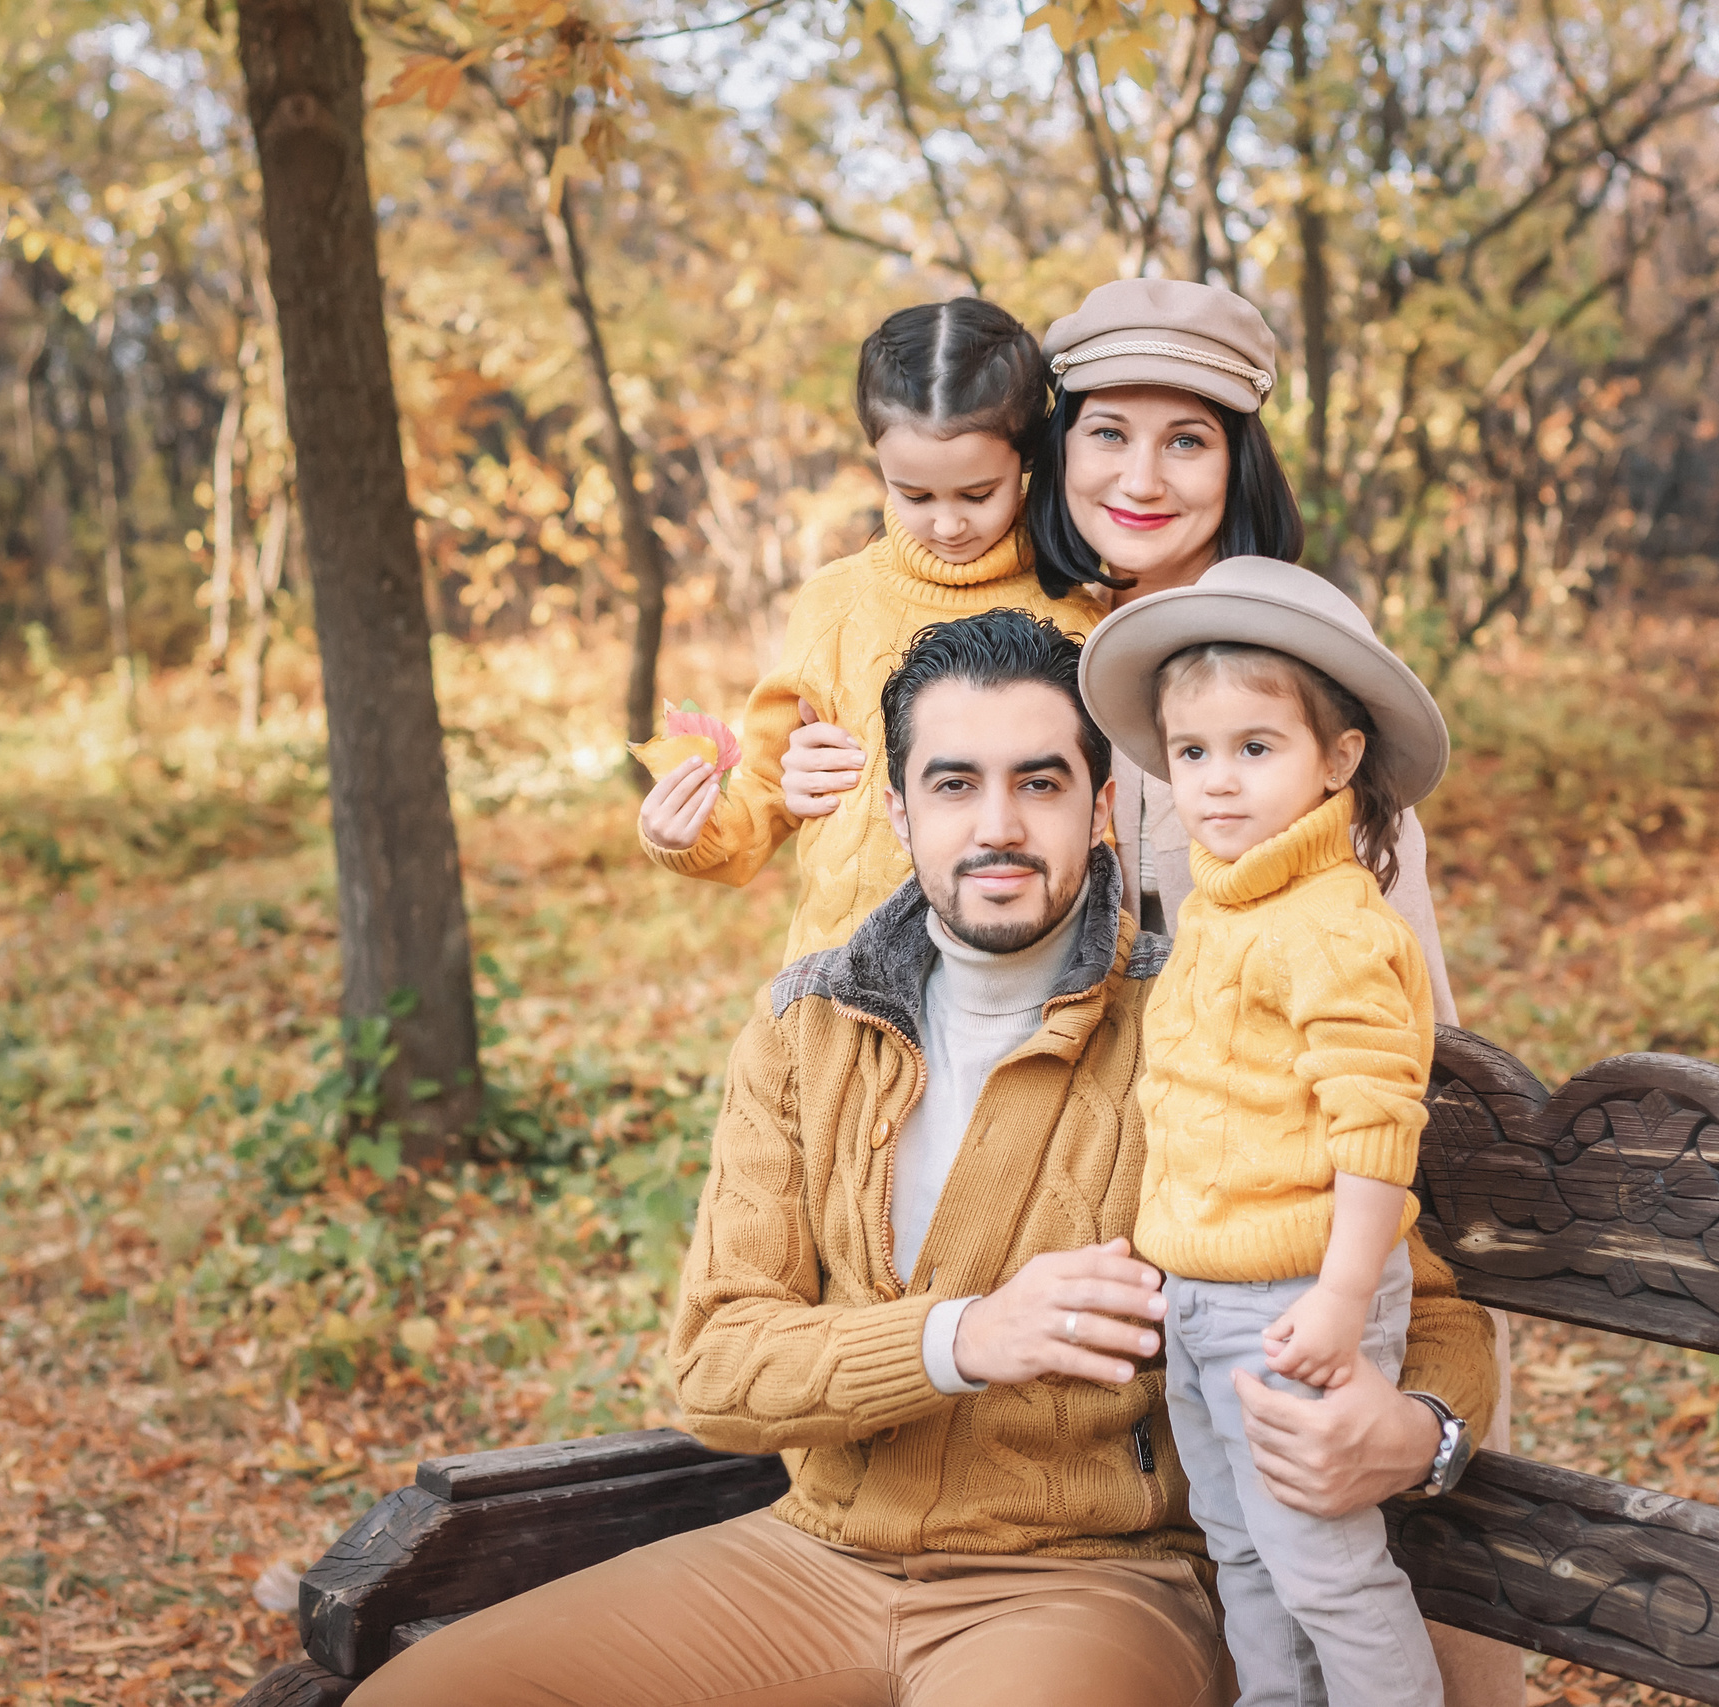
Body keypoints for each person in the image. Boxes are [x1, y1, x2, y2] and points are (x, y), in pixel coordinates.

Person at [356, 610, 1494, 1707]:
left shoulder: (1194, 1013)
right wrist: (965, 1336)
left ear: (1102, 803)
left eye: (1039, 781)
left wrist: (1419, 1431)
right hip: (809, 1558)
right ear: (897, 809)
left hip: (1086, 1581)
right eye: (953, 783)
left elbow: (1426, 1308)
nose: (996, 825)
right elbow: (714, 1364)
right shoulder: (809, 1028)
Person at [781, 277, 1525, 1706]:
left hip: (1284, 1296)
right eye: (1105, 432)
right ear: (1050, 455)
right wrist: (791, 786)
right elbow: (879, 987)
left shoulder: (1300, 739)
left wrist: (1425, 1417)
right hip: (1060, 1391)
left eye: (1190, 441)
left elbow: (1401, 1103)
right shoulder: (1014, 680)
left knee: (1356, 1602)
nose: (1139, 475)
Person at [1080, 557, 1458, 1707]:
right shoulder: (1222, 907)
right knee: (1238, 1551)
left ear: (1336, 759)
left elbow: (1374, 1128)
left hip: (1296, 1297)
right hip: (1201, 1299)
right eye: (1193, 754)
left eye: (1257, 748)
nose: (1220, 782)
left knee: (1325, 1570)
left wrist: (1344, 1299)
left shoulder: (1332, 925)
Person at [638, 297, 1095, 962]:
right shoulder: (835, 602)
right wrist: (688, 830)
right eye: (914, 494)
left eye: (976, 494)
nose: (946, 524)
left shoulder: (1078, 615)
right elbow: (767, 793)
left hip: (1026, 983)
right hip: (844, 977)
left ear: (1024, 461)